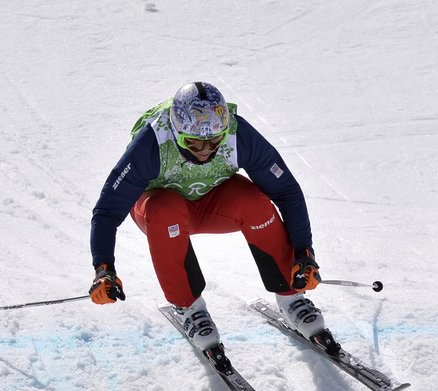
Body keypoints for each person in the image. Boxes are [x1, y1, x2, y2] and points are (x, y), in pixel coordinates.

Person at [87, 81, 338, 360]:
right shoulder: (151, 144)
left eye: (214, 141)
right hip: (162, 210)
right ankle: (190, 308)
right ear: (176, 132)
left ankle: (292, 296)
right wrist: (103, 269)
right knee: (166, 210)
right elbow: (107, 211)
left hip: (213, 201)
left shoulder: (237, 134)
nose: (205, 150)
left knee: (255, 203)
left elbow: (286, 191)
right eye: (193, 142)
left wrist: (304, 253)